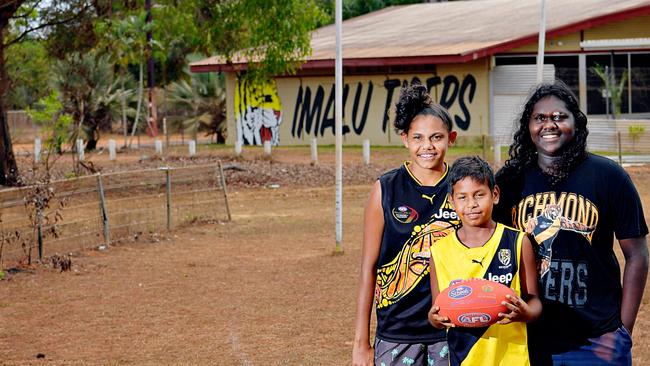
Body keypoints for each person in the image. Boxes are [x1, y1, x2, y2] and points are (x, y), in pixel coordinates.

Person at [494, 81, 649, 365]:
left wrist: (623, 330)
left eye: (559, 117)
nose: (549, 125)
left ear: (575, 122)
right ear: (528, 126)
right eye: (539, 118)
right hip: (528, 338)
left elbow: (636, 255)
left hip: (595, 340)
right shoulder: (509, 181)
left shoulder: (609, 176)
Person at [352, 84, 459, 366]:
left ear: (452, 138)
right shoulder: (385, 189)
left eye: (437, 137)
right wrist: (361, 343)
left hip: (451, 330)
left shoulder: (463, 188)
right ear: (404, 139)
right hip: (396, 332)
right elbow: (368, 268)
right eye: (418, 138)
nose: (427, 146)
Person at [428, 156, 542, 366]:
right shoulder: (439, 252)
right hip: (465, 359)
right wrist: (434, 319)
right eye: (462, 197)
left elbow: (534, 301)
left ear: (495, 195)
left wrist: (525, 313)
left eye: (479, 195)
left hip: (511, 359)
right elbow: (438, 310)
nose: (472, 204)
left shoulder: (517, 241)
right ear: (451, 201)